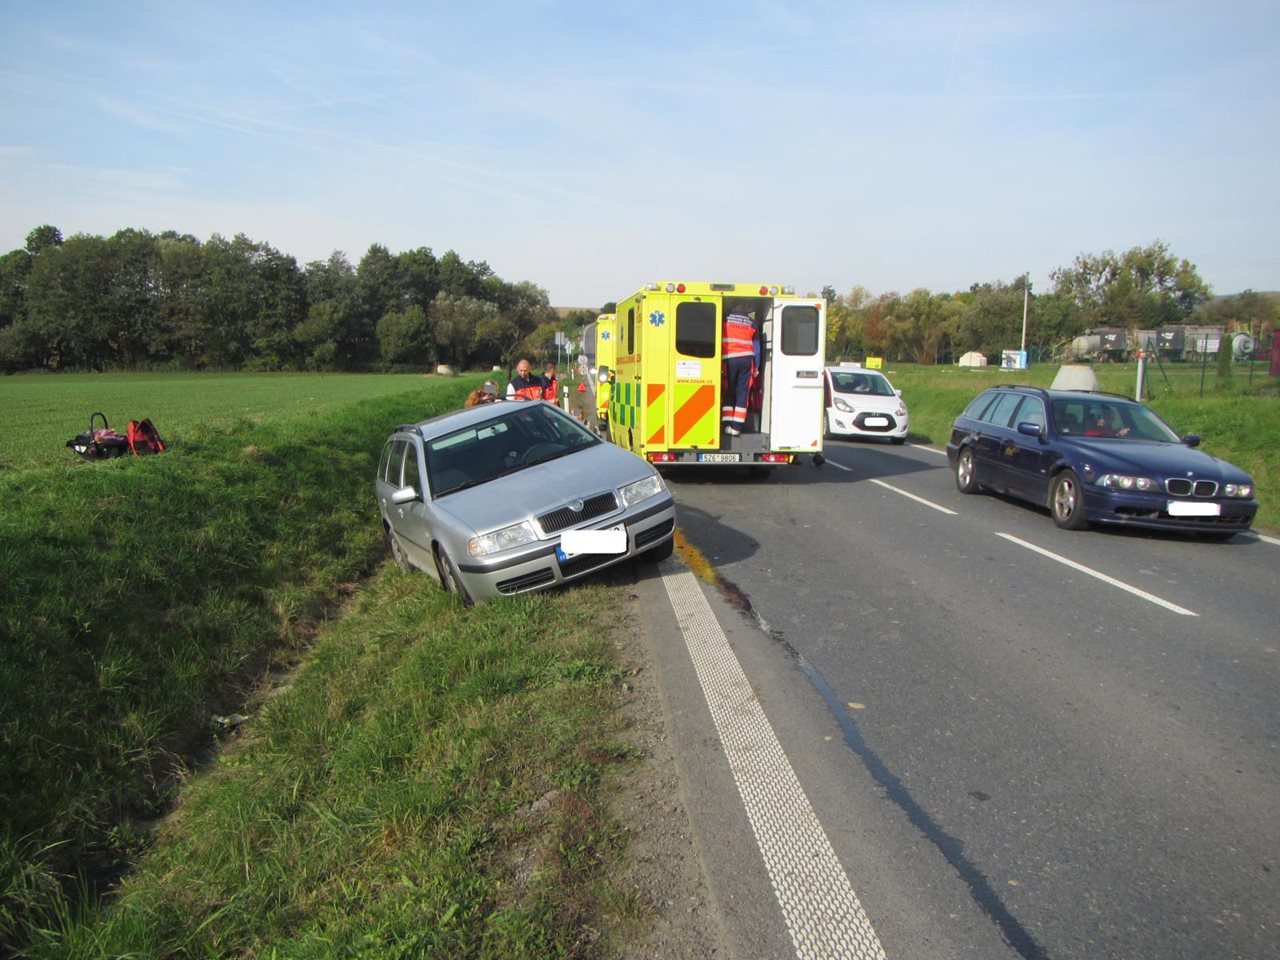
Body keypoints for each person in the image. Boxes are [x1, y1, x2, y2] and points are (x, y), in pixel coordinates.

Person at [721, 302, 759, 436]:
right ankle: (736, 428)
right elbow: (757, 348)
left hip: (730, 359)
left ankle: (727, 425)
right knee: (743, 392)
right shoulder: (752, 323)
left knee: (729, 390)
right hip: (746, 360)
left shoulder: (725, 319)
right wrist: (757, 366)